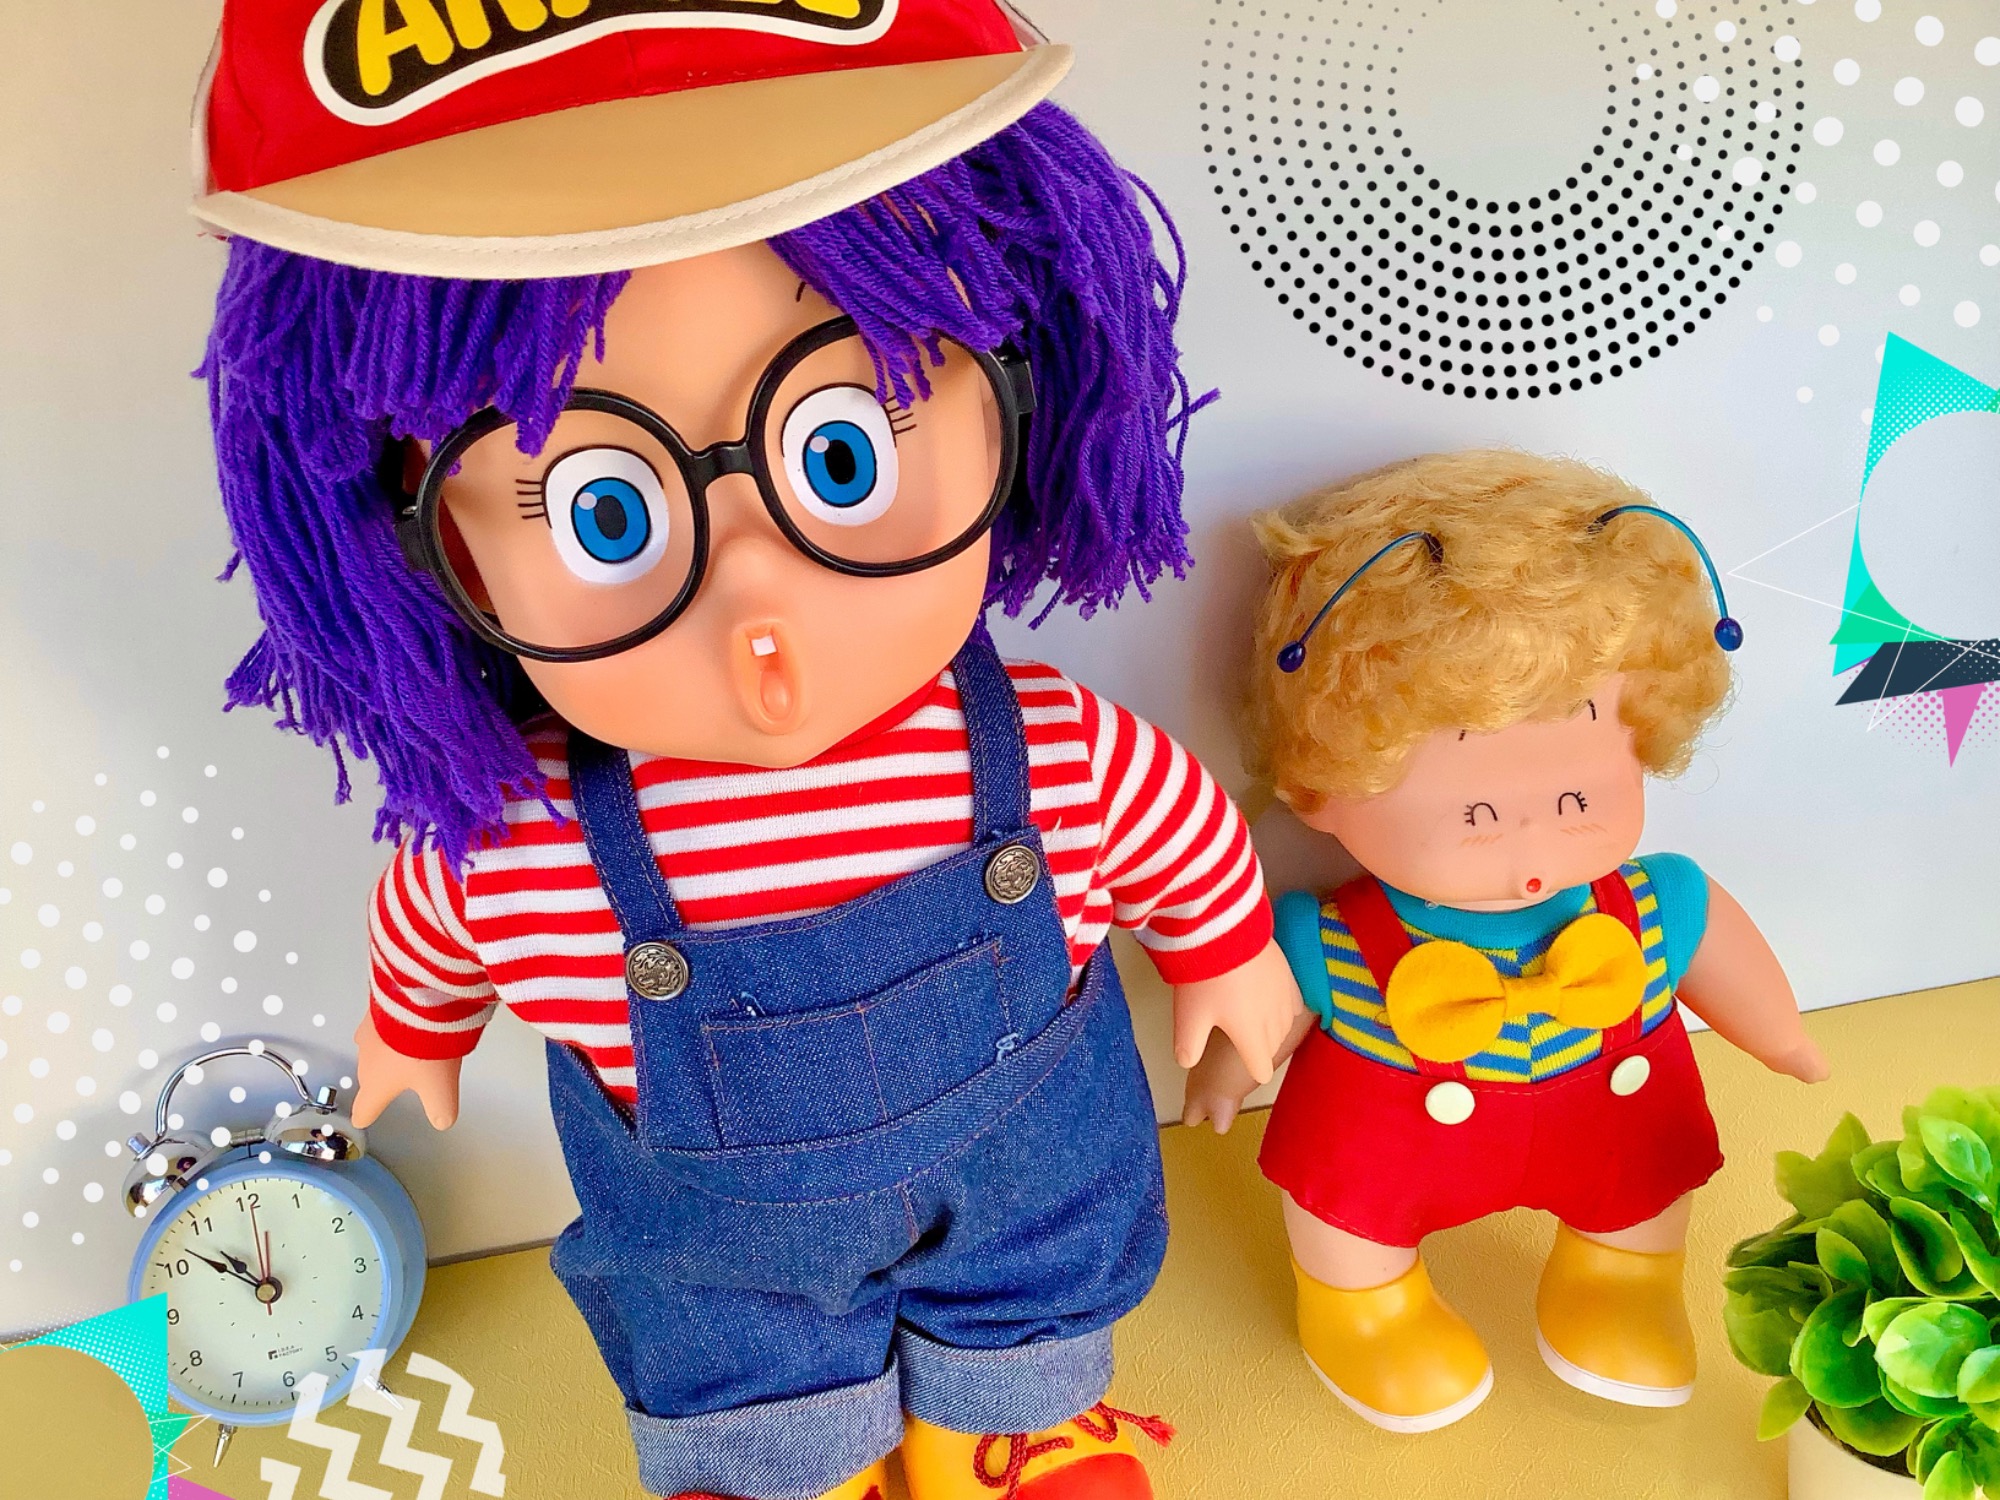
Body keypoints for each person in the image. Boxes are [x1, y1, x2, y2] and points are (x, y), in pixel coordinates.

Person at [190, 4, 1300, 1497]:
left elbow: (1175, 830)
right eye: (609, 515)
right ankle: (784, 1457)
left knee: (1037, 1261)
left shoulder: (1047, 749)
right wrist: (415, 1032)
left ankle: (1010, 1413)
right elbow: (434, 927)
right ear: (438, 546)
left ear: (1006, 401)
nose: (757, 607)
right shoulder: (524, 839)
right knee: (725, 1333)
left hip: (1025, 1170)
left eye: (841, 452)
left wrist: (1227, 955)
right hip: (722, 1245)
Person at [1186, 450, 1828, 1433]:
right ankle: (1364, 1308)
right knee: (1350, 1227)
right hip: (1389, 1158)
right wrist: (1223, 1077)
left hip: (1610, 1131)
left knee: (1639, 1195)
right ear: (1320, 789)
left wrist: (1783, 1037)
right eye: (1474, 815)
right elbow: (1257, 1009)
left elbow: (1726, 962)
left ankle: (1622, 1276)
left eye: (1578, 799)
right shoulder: (1330, 940)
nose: (1532, 848)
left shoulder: (1657, 903)